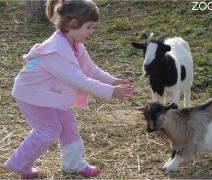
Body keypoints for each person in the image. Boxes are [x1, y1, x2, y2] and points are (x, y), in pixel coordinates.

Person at [4, 0, 134, 178]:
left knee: (67, 126)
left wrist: (112, 81)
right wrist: (111, 92)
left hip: (49, 94)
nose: (91, 32)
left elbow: (90, 69)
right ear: (73, 24)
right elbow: (79, 80)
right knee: (48, 131)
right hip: (31, 95)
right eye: (89, 27)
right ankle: (20, 164)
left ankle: (73, 164)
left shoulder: (75, 45)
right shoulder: (56, 50)